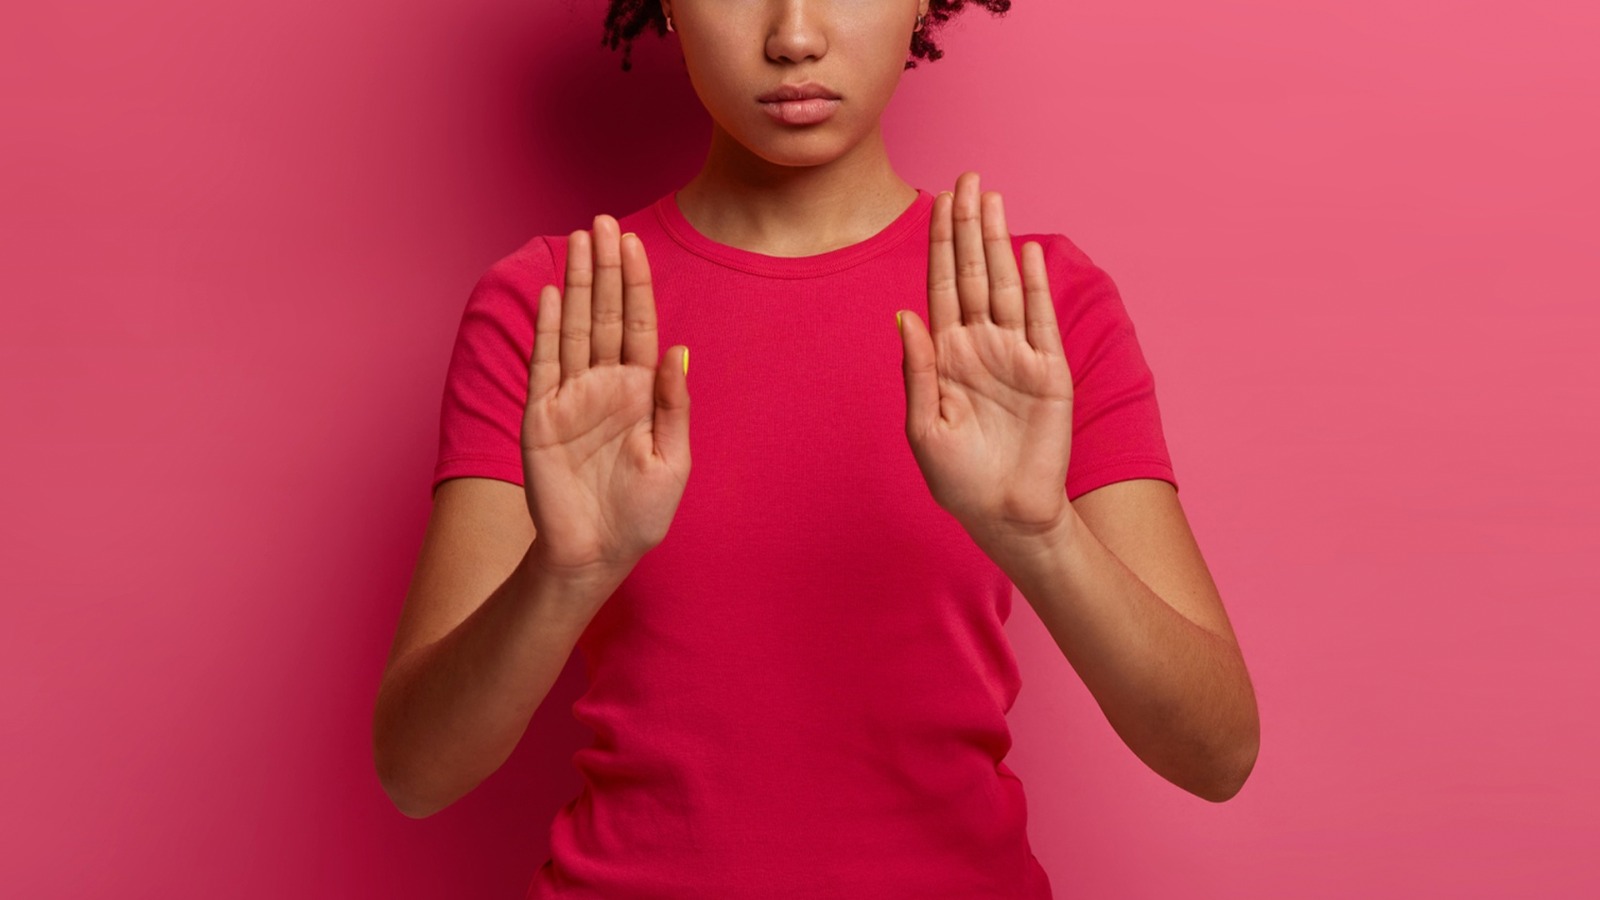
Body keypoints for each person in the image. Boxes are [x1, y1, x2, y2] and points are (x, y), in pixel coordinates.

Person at [374, 1, 1261, 896]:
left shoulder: (1034, 309)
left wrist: (1041, 536)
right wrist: (565, 574)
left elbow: (1216, 754)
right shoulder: (555, 310)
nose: (793, 36)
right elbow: (417, 773)